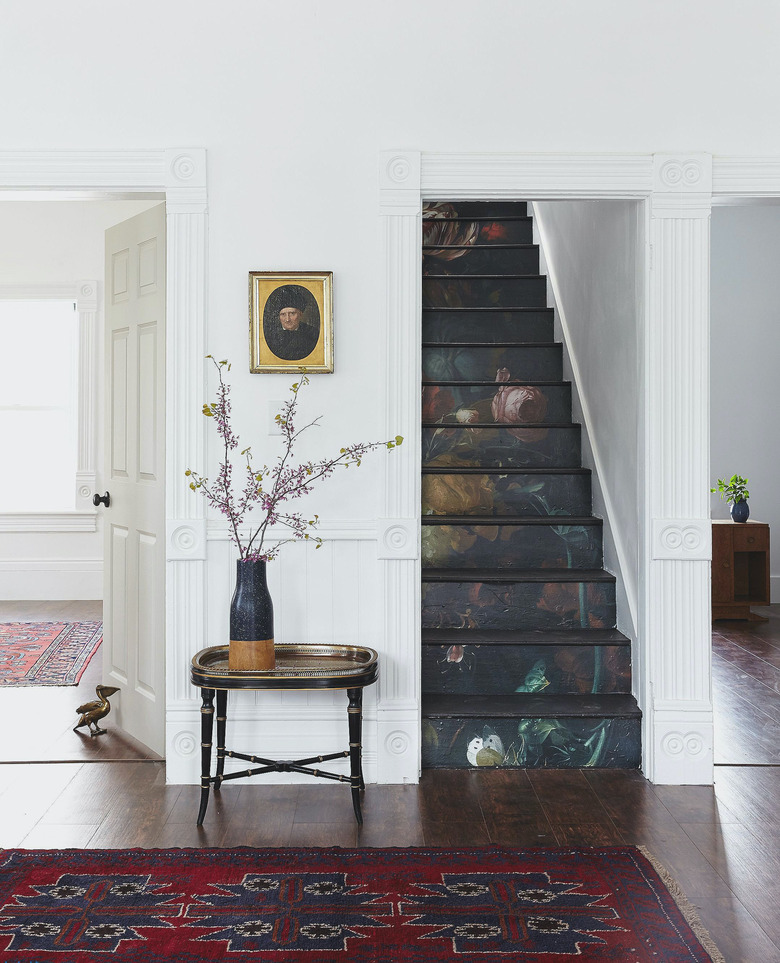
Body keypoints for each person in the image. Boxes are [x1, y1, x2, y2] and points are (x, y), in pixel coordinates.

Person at [263, 285, 320, 361]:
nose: (287, 319)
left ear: (300, 315)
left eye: (292, 314)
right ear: (279, 317)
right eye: (283, 314)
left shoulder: (313, 333)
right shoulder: (270, 334)